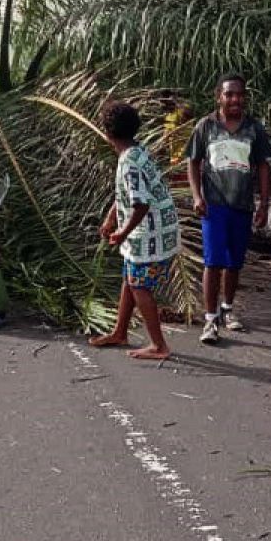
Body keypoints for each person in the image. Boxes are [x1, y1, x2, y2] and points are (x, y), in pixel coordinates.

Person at [88, 101, 181, 360]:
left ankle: (159, 345)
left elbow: (140, 204)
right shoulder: (136, 152)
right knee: (130, 280)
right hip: (153, 229)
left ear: (107, 133)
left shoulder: (129, 162)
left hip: (150, 233)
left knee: (139, 286)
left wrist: (123, 231)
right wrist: (110, 219)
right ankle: (120, 332)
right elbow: (125, 196)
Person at [185, 73, 271, 344]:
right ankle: (210, 319)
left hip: (243, 206)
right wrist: (197, 196)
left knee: (235, 262)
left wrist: (264, 204)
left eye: (239, 94)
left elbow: (262, 166)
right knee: (213, 262)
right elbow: (193, 162)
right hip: (214, 206)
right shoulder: (206, 126)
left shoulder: (254, 129)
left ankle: (228, 308)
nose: (235, 99)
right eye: (229, 94)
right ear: (219, 97)